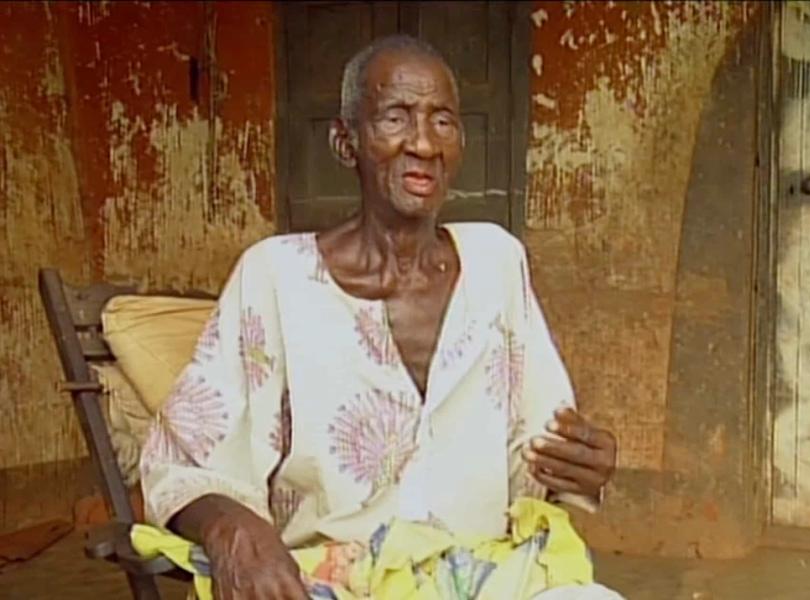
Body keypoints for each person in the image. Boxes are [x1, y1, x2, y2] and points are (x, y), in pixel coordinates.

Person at [140, 34, 619, 599]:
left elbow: (533, 454)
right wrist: (231, 527)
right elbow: (182, 462)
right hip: (335, 584)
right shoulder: (276, 277)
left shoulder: (496, 261)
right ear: (346, 143)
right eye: (396, 118)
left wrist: (580, 465)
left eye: (442, 120)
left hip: (485, 577)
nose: (423, 143)